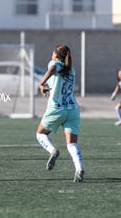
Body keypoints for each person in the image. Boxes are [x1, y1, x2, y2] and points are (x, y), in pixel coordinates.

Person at [35, 45, 84, 182]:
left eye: (53, 52)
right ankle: (79, 168)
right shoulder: (71, 70)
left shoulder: (55, 63)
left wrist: (41, 84)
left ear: (56, 56)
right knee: (72, 144)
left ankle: (52, 151)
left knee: (40, 134)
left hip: (57, 108)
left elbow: (52, 68)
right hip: (73, 109)